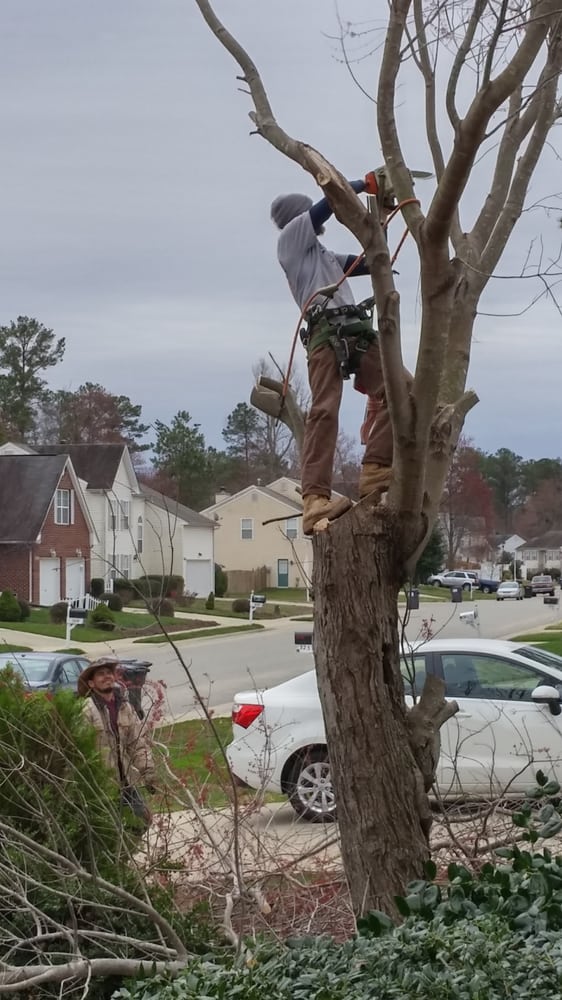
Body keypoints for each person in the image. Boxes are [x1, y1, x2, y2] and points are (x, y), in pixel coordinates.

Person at [271, 173, 394, 535]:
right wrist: (362, 184)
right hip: (325, 335)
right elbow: (328, 205)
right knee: (324, 411)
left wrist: (382, 218)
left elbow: (371, 262)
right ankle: (315, 500)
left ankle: (376, 469)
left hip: (356, 331)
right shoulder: (290, 242)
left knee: (402, 391)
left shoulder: (323, 255)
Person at [78, 656, 157, 823]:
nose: (106, 676)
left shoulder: (124, 707)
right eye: (100, 674)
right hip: (102, 786)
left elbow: (137, 743)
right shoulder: (87, 710)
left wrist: (148, 772)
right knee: (111, 828)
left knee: (143, 821)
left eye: (109, 673)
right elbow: (80, 751)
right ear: (91, 683)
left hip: (126, 782)